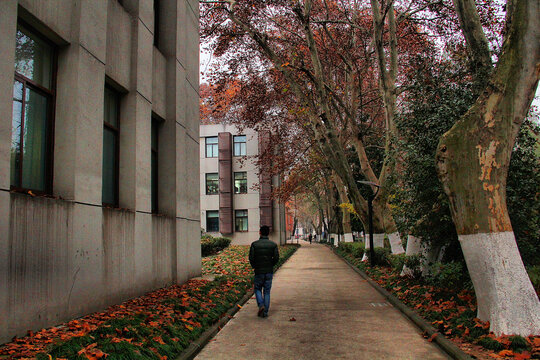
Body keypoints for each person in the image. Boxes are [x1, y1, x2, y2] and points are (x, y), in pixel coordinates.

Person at [249, 225, 279, 318]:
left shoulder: (254, 244)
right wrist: (271, 265)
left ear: (260, 232)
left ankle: (261, 305)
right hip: (269, 271)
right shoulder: (273, 245)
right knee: (267, 292)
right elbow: (277, 258)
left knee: (257, 289)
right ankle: (265, 312)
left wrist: (255, 266)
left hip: (258, 271)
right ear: (268, 233)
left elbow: (251, 258)